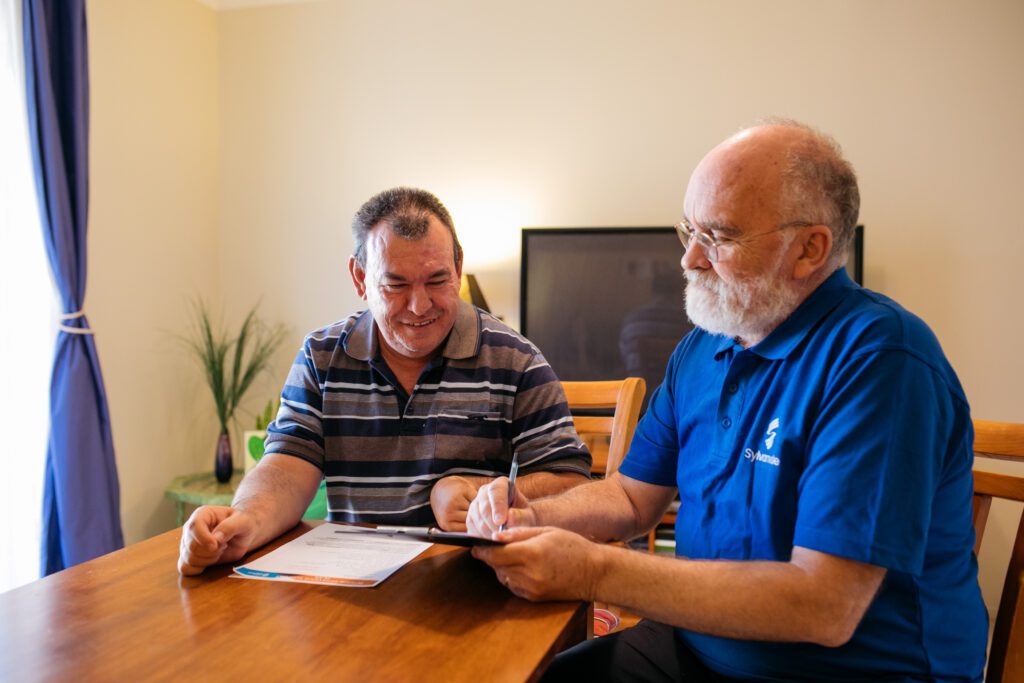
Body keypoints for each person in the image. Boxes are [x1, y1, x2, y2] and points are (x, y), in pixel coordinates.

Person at [468, 121, 987, 682]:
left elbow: (826, 605)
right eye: (687, 230)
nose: (689, 259)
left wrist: (595, 571)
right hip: (702, 646)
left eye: (717, 238)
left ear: (809, 248)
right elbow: (630, 497)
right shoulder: (705, 345)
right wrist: (529, 515)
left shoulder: (882, 360)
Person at [178, 187, 591, 576]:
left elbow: (571, 484)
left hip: (472, 583)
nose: (420, 305)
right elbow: (288, 465)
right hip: (351, 583)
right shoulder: (322, 356)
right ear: (360, 279)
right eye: (395, 285)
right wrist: (245, 521)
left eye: (436, 280)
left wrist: (481, 492)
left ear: (459, 269)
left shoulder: (515, 359)